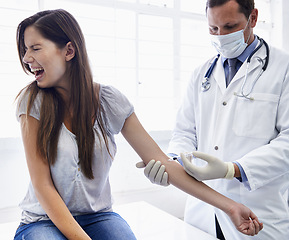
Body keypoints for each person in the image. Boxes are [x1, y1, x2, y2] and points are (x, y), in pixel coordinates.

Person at [13, 9, 262, 240]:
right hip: (42, 220)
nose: (26, 58)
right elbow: (43, 186)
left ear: (69, 51)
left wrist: (230, 206)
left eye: (35, 48)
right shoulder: (32, 102)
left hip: (96, 216)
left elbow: (164, 162)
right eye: (25, 50)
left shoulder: (109, 102)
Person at [141, 0, 289, 239]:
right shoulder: (202, 73)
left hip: (259, 214)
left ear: (252, 18)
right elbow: (185, 132)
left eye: (230, 26)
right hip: (203, 212)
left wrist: (234, 170)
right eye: (214, 29)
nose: (221, 36)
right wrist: (172, 163)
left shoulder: (283, 69)